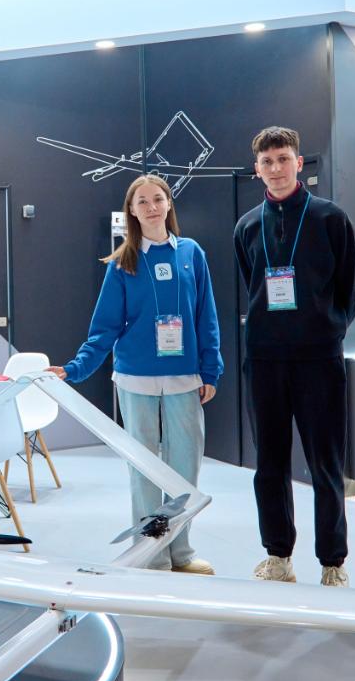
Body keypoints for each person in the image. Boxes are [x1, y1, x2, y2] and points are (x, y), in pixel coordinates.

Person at [47, 174, 223, 574]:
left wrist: (211, 370)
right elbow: (104, 327)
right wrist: (75, 368)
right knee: (143, 471)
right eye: (141, 201)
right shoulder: (123, 261)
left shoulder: (191, 253)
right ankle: (151, 555)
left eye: (157, 199)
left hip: (184, 379)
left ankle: (181, 552)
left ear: (169, 203)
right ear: (132, 210)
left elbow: (206, 316)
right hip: (135, 380)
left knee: (184, 471)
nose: (151, 207)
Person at [233, 126, 355, 587]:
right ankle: (278, 556)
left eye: (283, 159)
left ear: (299, 163)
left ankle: (332, 561)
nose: (276, 168)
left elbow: (350, 286)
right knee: (269, 464)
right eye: (267, 162)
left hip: (318, 360)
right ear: (257, 169)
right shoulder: (247, 226)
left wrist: (326, 328)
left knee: (325, 463)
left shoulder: (330, 218)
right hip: (264, 360)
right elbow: (251, 282)